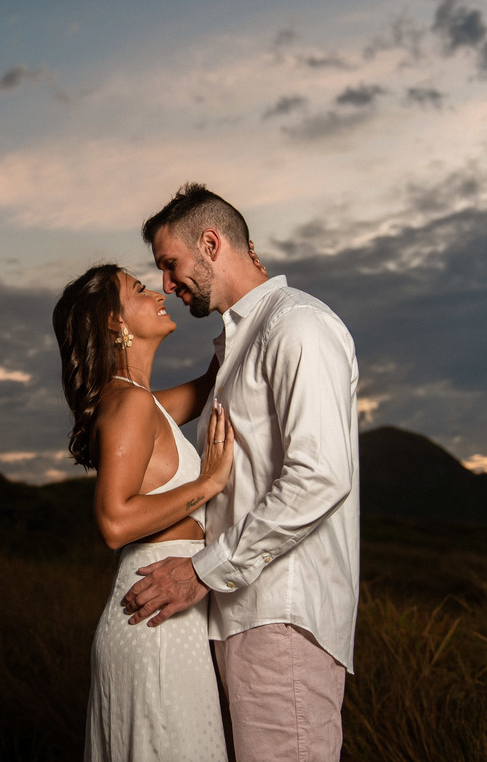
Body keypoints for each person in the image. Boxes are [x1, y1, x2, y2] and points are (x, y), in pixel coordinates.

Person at [121, 183, 360, 762]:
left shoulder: (297, 326)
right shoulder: (239, 345)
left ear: (210, 242)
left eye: (170, 266)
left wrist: (204, 571)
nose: (168, 286)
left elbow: (320, 475)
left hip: (281, 613)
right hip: (242, 613)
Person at [52, 263, 235, 762]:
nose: (158, 292)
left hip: (162, 608)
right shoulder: (129, 403)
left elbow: (210, 384)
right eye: (138, 289)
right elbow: (114, 523)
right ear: (115, 322)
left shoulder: (140, 404)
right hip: (153, 617)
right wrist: (209, 483)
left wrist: (236, 307)